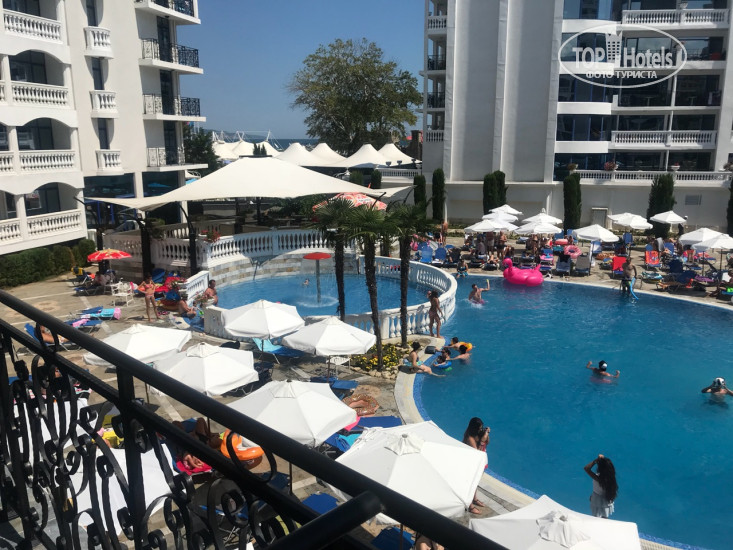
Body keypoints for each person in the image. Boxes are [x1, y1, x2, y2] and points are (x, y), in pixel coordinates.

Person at [462, 417, 490, 514]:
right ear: (474, 428)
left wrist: (486, 434)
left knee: (476, 482)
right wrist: (482, 441)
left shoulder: (478, 434)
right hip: (472, 463)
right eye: (479, 428)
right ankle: (470, 505)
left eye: (481, 428)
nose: (480, 430)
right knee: (470, 483)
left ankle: (474, 499)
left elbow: (487, 442)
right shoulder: (470, 438)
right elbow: (477, 453)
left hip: (480, 463)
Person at [583, 454, 618, 518]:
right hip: (606, 500)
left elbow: (586, 468)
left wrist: (596, 461)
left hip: (597, 499)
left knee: (597, 518)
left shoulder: (598, 478)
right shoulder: (611, 478)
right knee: (604, 517)